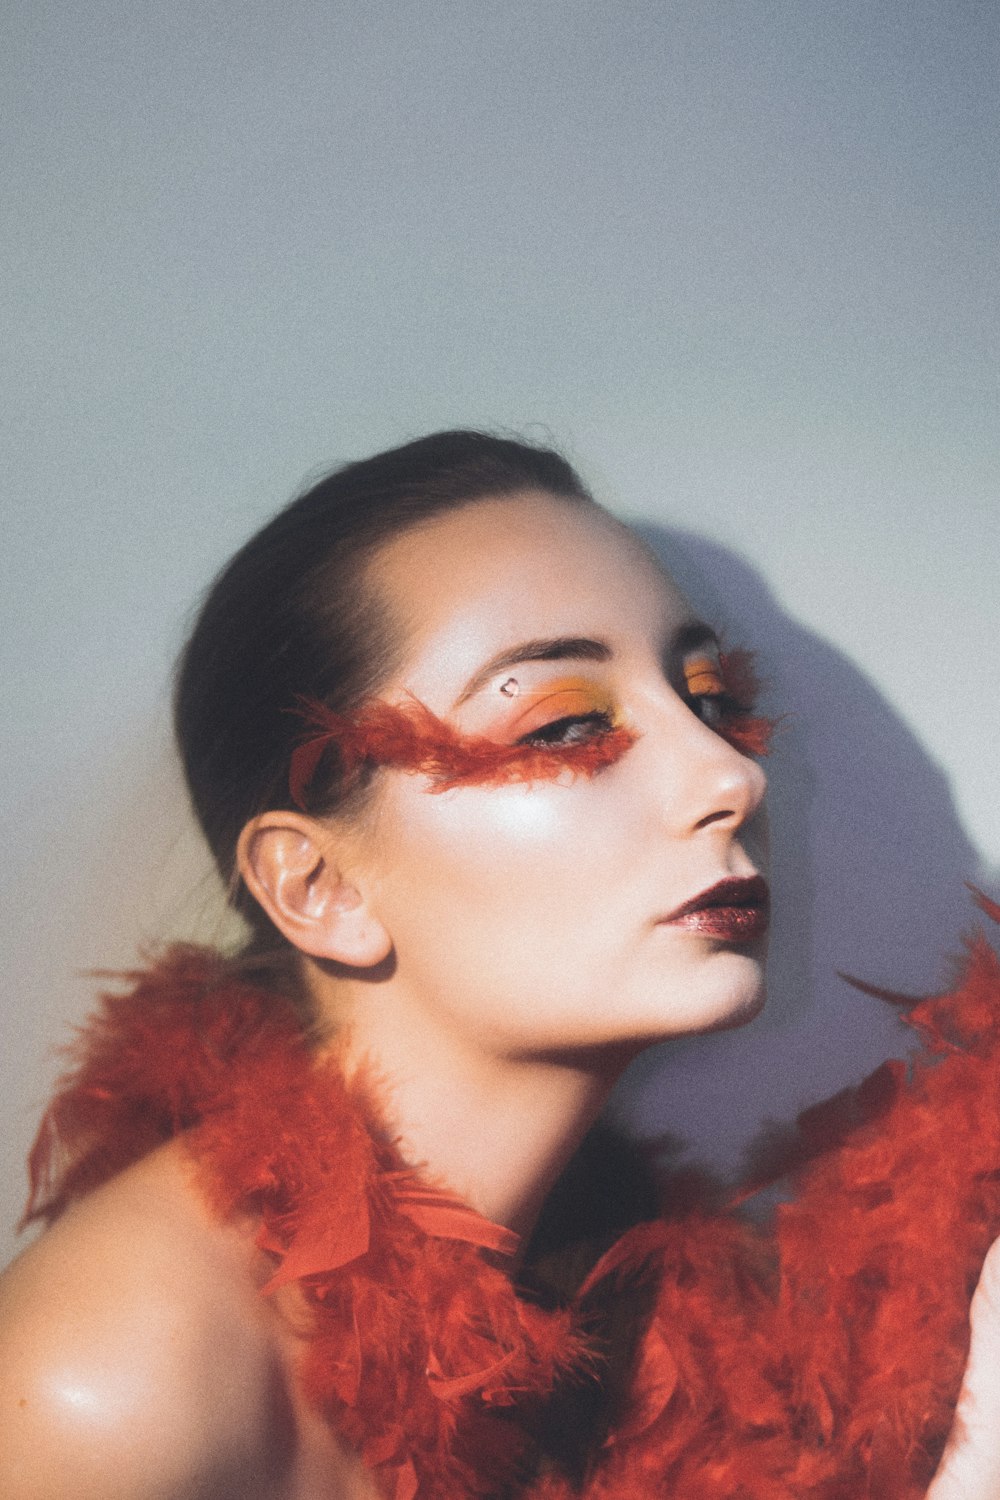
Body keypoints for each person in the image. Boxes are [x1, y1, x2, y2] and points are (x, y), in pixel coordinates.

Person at [0, 430, 998, 1499]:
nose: (728, 775)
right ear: (316, 889)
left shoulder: (642, 1318)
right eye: (567, 725)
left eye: (710, 700)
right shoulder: (111, 1380)